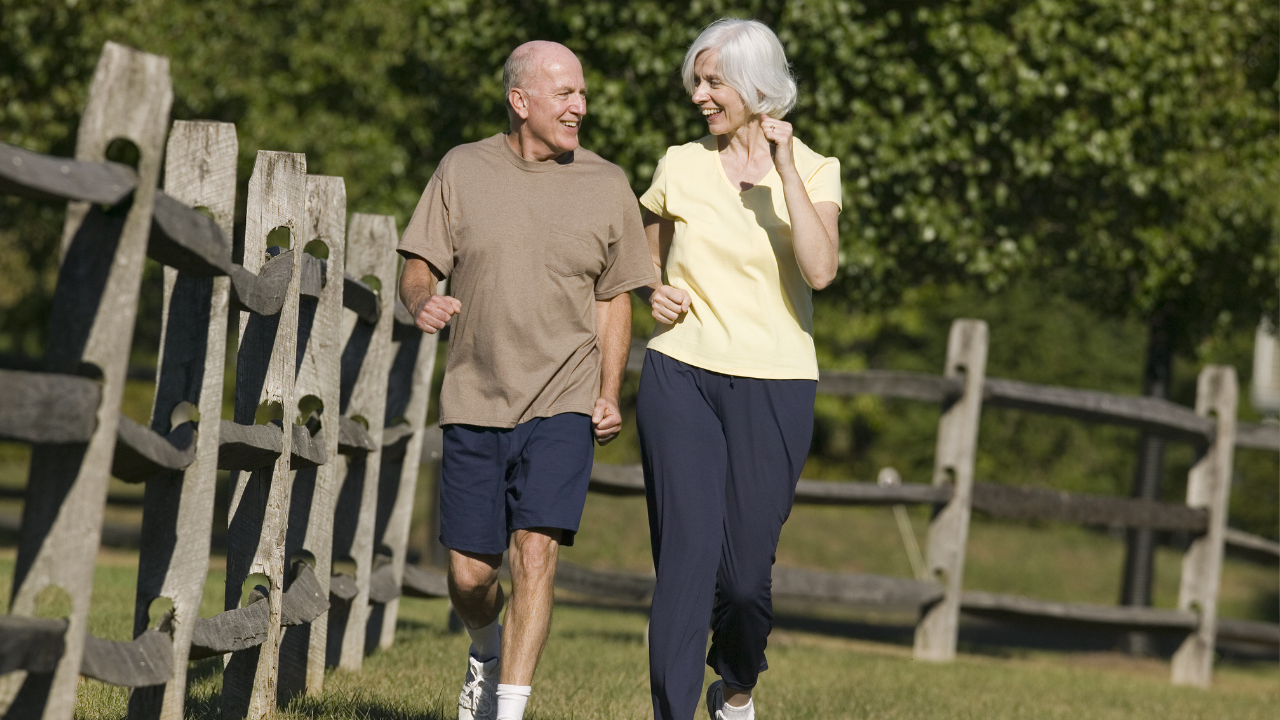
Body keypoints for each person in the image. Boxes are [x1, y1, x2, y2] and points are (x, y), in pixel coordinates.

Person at [397, 40, 657, 720]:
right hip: (476, 396)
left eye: (582, 93)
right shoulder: (462, 168)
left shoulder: (607, 184)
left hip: (564, 399)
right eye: (565, 93)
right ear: (521, 101)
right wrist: (420, 299)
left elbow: (615, 298)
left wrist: (607, 390)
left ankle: (508, 711)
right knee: (470, 574)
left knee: (535, 553)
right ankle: (484, 645)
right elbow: (419, 262)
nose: (580, 105)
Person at [634, 19, 841, 720]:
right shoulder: (679, 164)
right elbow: (641, 257)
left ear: (755, 88)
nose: (699, 94)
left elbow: (820, 268)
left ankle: (738, 690)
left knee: (747, 581)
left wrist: (782, 171)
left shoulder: (814, 170)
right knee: (686, 566)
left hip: (777, 383)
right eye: (697, 79)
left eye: (713, 80)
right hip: (680, 373)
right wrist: (647, 291)